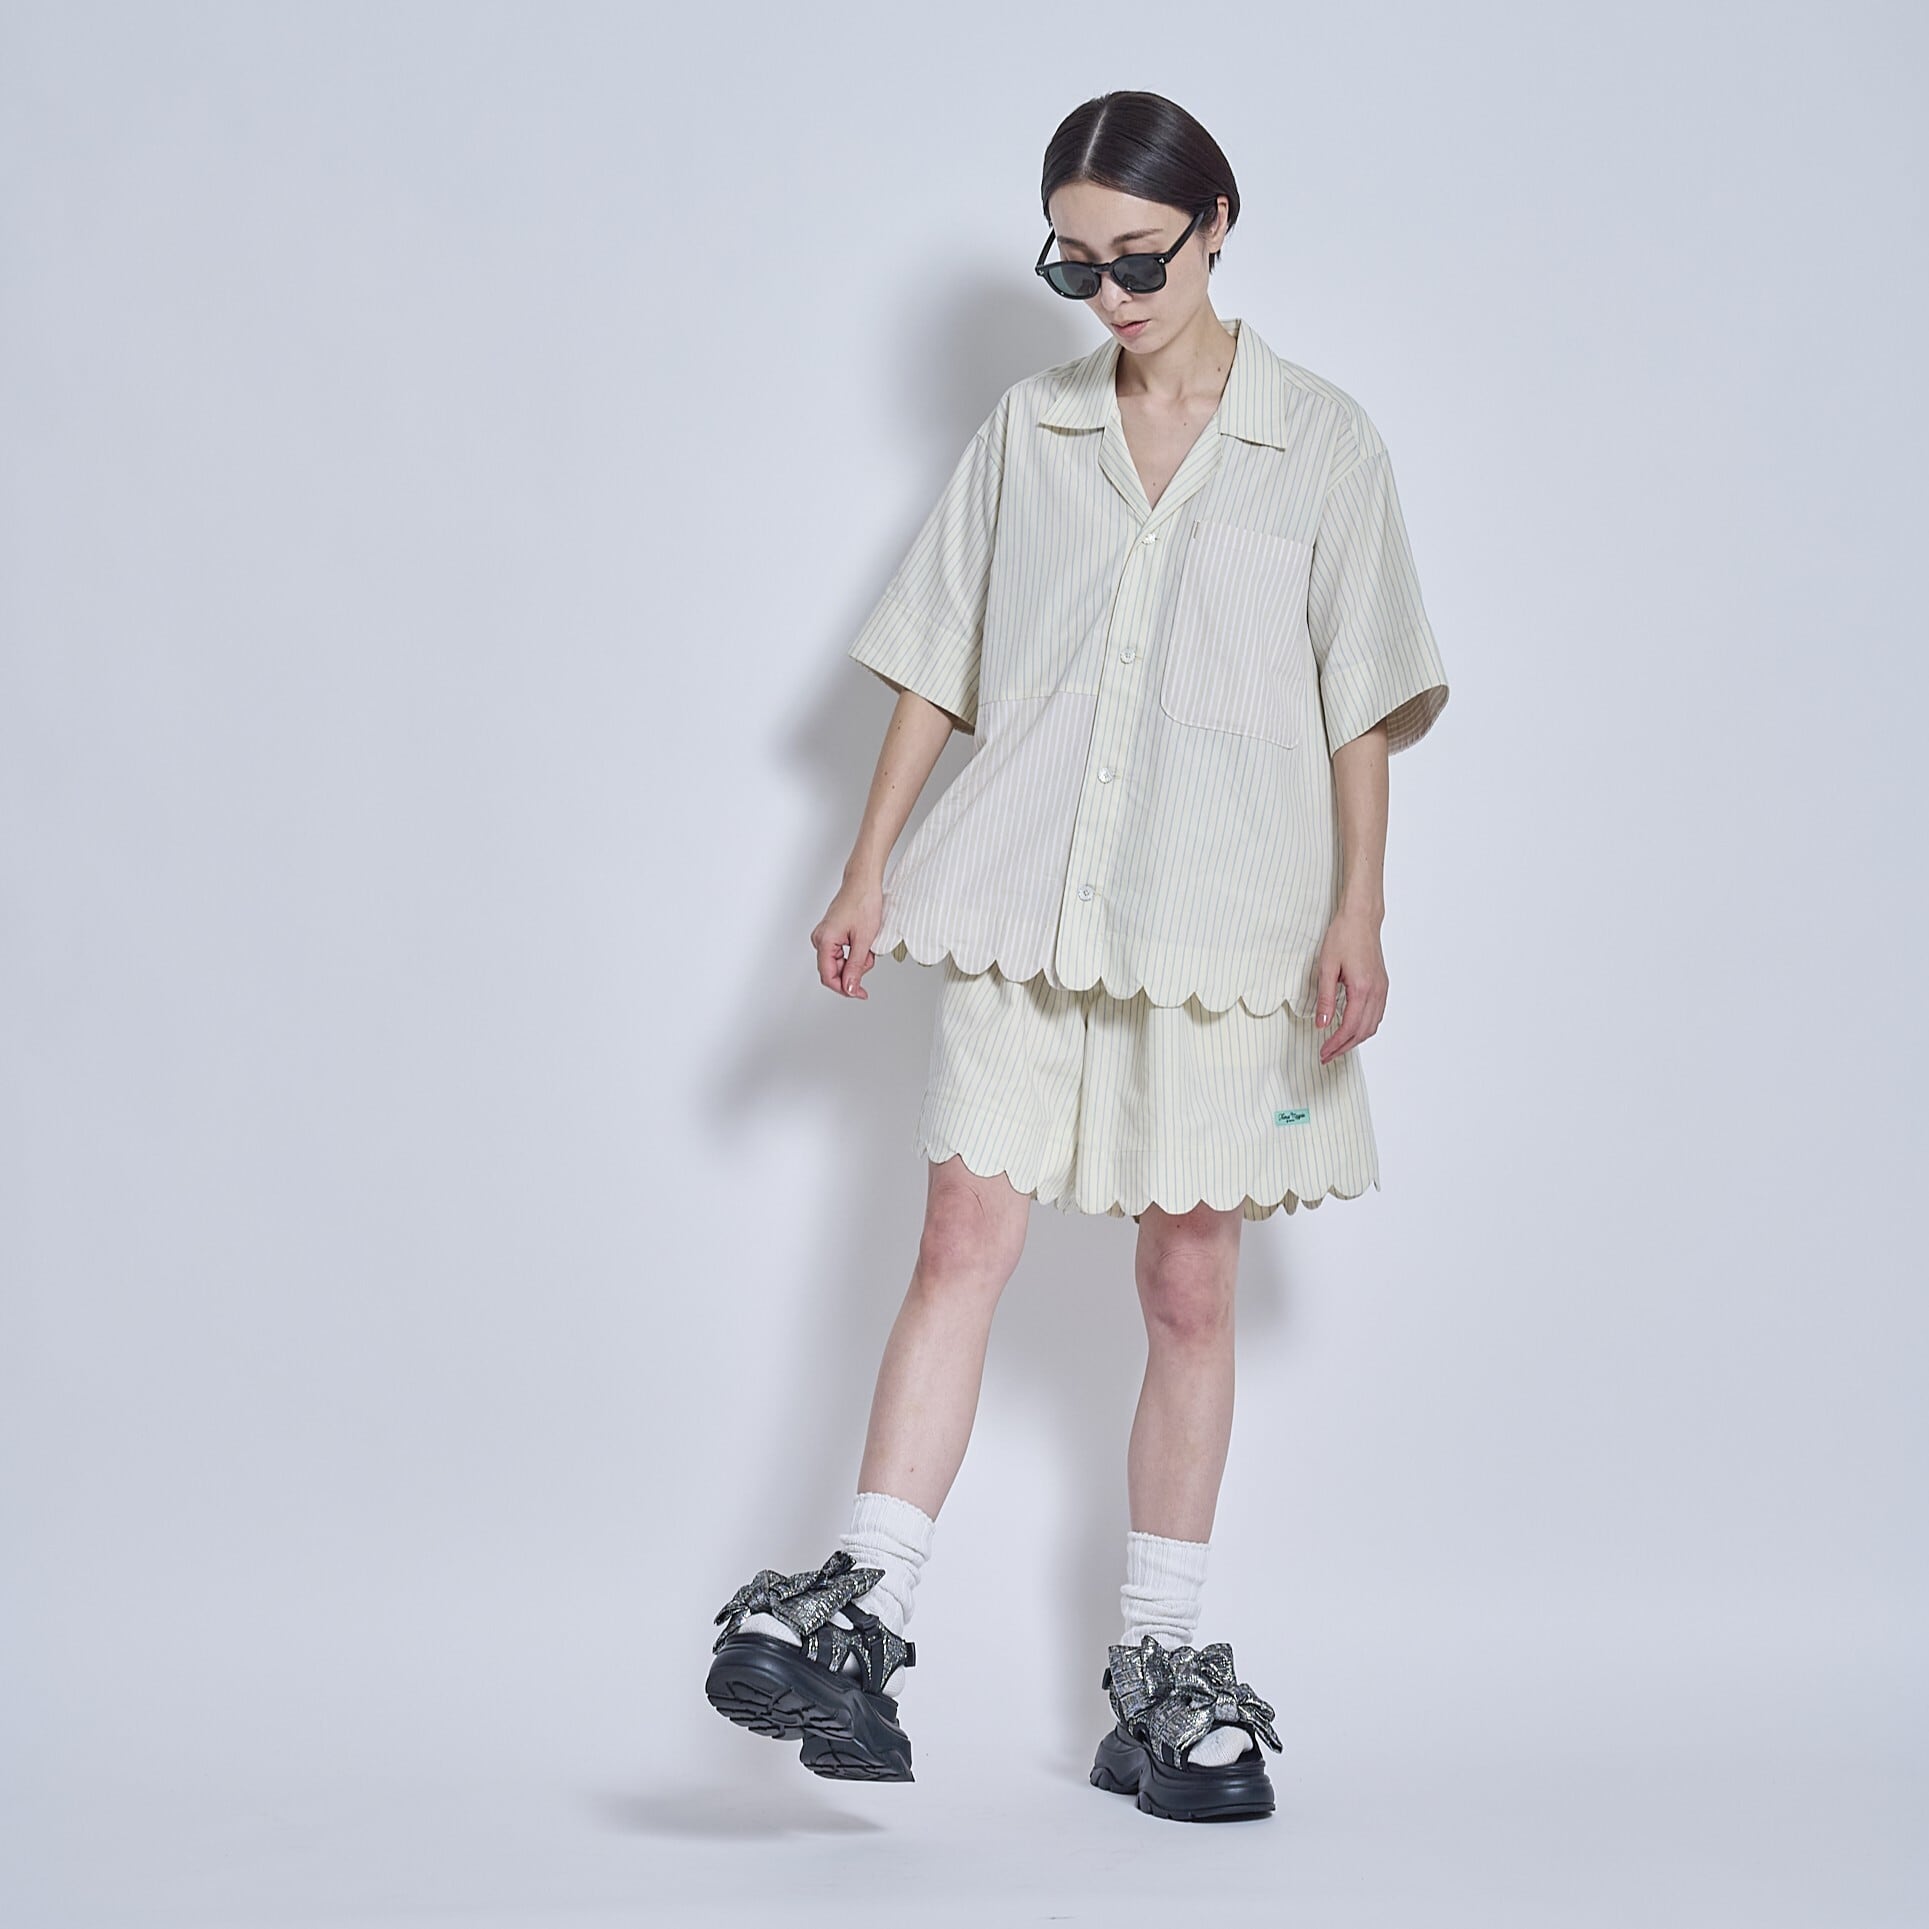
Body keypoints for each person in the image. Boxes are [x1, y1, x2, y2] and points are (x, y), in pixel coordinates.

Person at [705, 89, 1449, 1824]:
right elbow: (935, 657)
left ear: (1214, 228)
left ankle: (1161, 1672)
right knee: (960, 1238)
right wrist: (864, 867)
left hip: (1228, 925)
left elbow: (1360, 699)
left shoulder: (1322, 443)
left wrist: (1360, 907)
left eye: (1135, 259)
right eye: (1070, 264)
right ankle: (863, 1611)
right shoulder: (1026, 432)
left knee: (1188, 1285)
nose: (1106, 295)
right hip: (1018, 896)